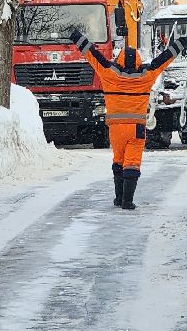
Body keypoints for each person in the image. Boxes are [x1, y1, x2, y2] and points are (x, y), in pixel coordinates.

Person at [70, 28, 180, 210]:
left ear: (119, 59)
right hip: (136, 129)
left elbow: (92, 55)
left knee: (118, 161)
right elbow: (164, 59)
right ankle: (127, 201)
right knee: (132, 163)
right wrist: (182, 43)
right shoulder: (146, 76)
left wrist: (77, 37)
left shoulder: (108, 73)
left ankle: (118, 198)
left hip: (115, 129)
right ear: (137, 61)